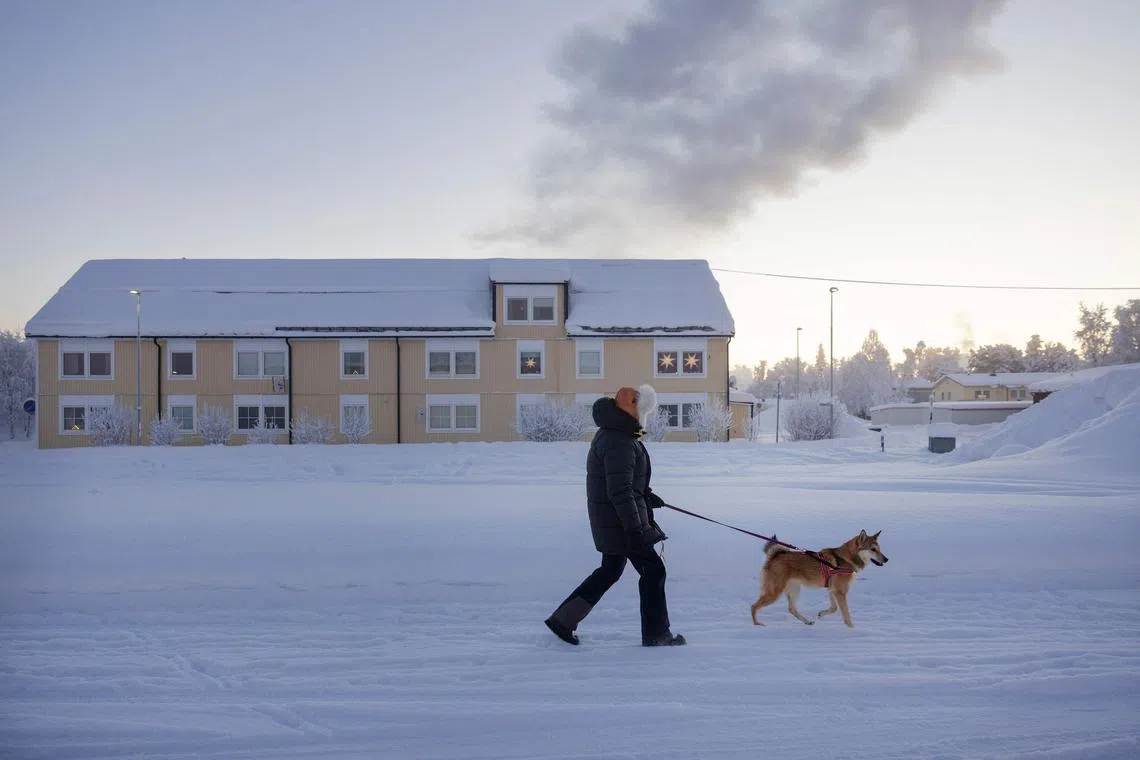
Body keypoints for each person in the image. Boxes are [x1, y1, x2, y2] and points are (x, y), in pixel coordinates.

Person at [544, 384, 686, 647]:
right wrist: (635, 529)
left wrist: (646, 496)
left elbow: (625, 483)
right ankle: (657, 634)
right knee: (653, 570)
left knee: (610, 570)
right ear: (621, 406)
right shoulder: (618, 439)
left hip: (615, 520)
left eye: (636, 399)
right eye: (632, 400)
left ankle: (562, 620)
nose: (636, 403)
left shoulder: (618, 434)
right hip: (622, 523)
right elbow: (619, 491)